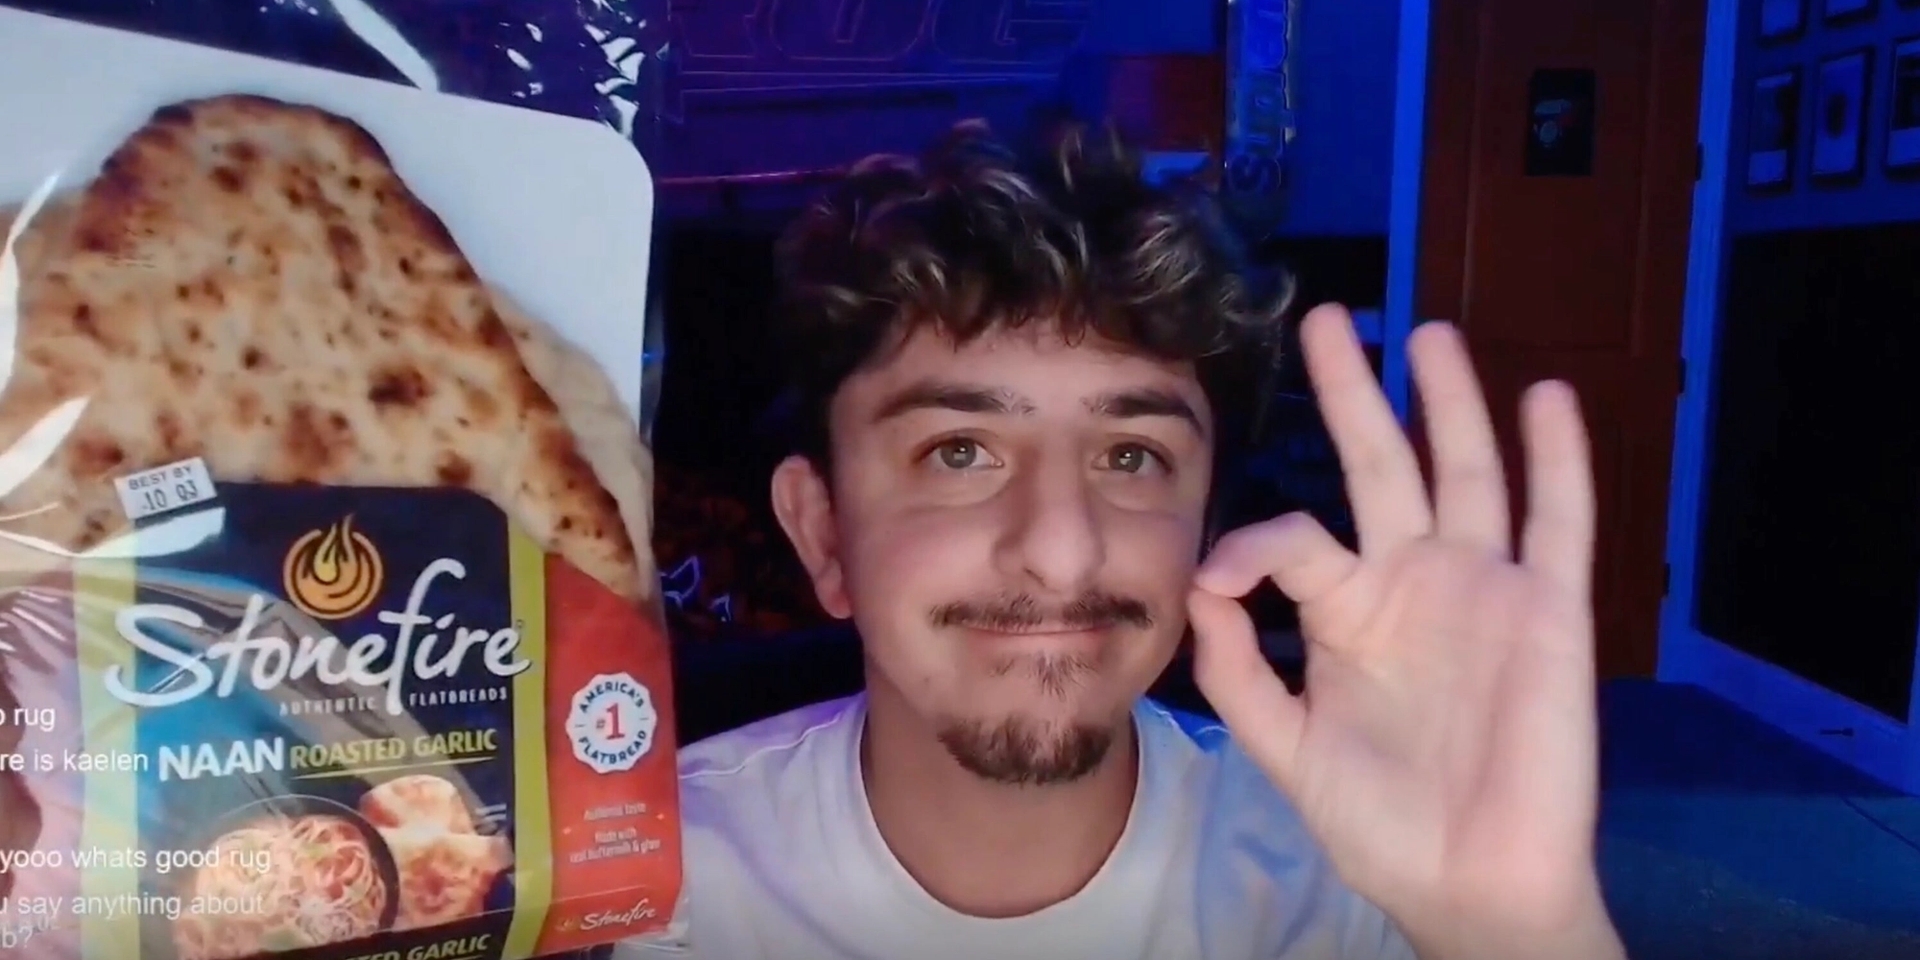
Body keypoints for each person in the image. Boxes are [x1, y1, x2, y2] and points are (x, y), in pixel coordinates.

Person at [615, 121, 1623, 960]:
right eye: (960, 452)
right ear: (824, 532)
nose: (1063, 551)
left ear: (1207, 533)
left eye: (1132, 458)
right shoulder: (646, 893)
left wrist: (1524, 932)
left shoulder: (1354, 868)